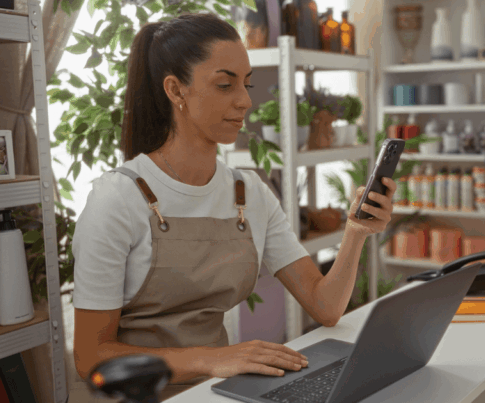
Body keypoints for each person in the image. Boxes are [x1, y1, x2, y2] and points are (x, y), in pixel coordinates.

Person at [71, 13, 395, 400]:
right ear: (176, 90)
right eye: (225, 85)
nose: (245, 101)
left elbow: (325, 306)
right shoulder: (117, 198)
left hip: (220, 390)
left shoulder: (250, 192)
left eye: (246, 84)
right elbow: (90, 356)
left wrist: (356, 232)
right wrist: (210, 359)